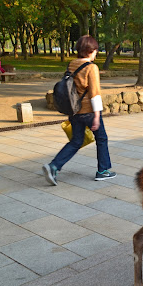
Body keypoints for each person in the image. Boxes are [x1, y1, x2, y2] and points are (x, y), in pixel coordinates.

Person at [42, 35, 116, 186]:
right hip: (89, 111)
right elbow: (94, 93)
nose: (96, 53)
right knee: (101, 139)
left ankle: (54, 166)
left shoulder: (72, 64)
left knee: (76, 141)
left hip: (74, 110)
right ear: (91, 51)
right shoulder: (91, 67)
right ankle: (103, 171)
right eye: (95, 50)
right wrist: (96, 116)